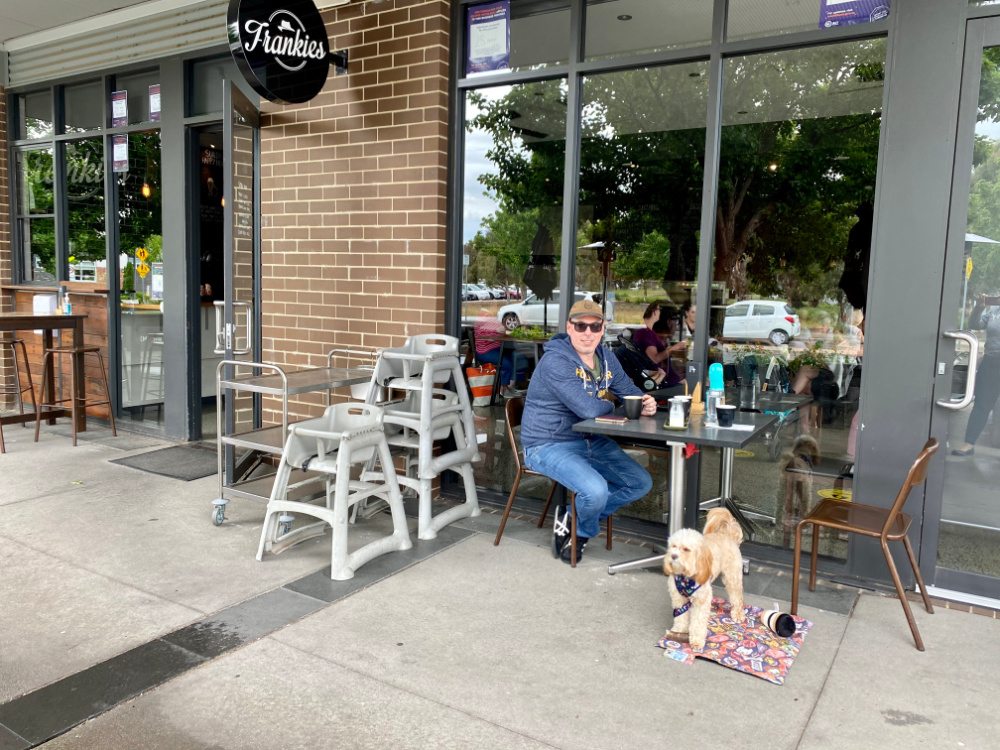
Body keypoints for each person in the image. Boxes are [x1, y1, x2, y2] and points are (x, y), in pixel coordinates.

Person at [521, 299, 657, 564]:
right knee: (595, 492)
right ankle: (581, 532)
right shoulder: (555, 361)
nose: (588, 333)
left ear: (603, 328)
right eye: (581, 325)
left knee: (640, 482)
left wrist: (644, 401)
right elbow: (588, 409)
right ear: (569, 328)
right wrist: (614, 403)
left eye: (594, 326)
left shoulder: (605, 357)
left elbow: (629, 393)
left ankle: (572, 517)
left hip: (588, 438)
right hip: (546, 443)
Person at [952, 293, 1000, 456]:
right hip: (992, 361)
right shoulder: (995, 308)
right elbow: (975, 324)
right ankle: (969, 444)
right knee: (981, 404)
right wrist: (979, 307)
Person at [474, 309, 529, 398]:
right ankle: (504, 388)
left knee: (520, 358)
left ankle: (513, 386)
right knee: (506, 362)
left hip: (499, 349)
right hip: (485, 351)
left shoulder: (492, 320)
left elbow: (502, 330)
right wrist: (498, 331)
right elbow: (491, 332)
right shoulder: (481, 323)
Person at [632, 302, 686, 386]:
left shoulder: (651, 333)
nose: (677, 326)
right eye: (676, 322)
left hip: (668, 381)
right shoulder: (645, 333)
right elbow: (654, 359)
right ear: (669, 322)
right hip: (663, 385)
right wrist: (673, 348)